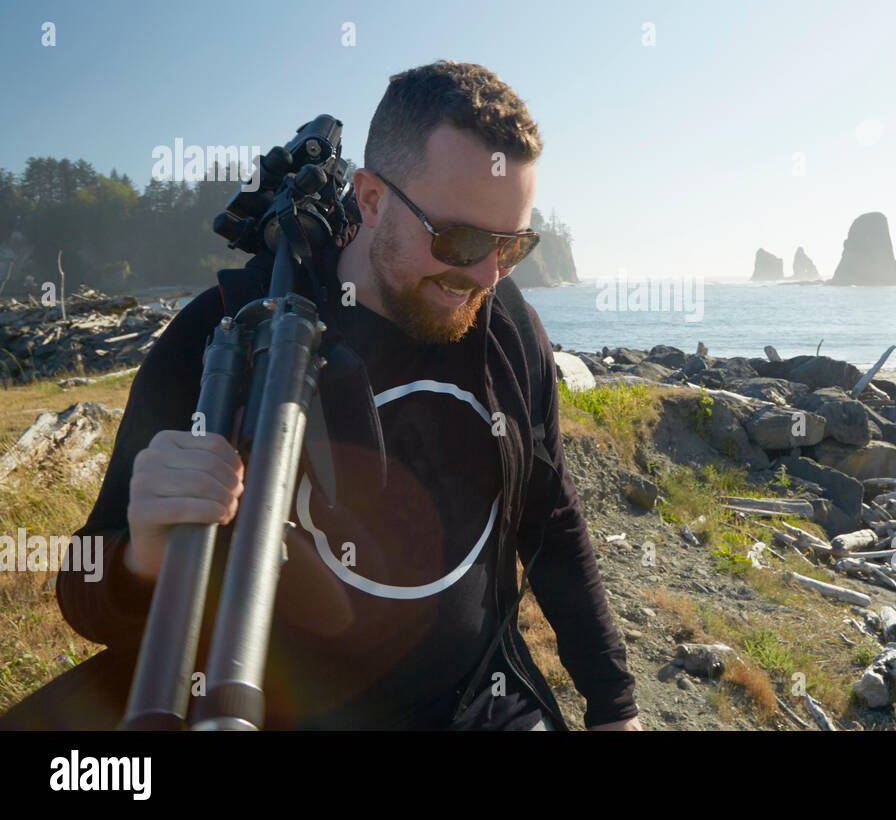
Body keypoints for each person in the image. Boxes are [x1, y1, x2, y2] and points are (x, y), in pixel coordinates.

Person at [0, 60, 641, 731]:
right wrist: (144, 553)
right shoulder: (228, 333)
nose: (484, 274)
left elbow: (552, 516)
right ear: (369, 200)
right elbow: (85, 593)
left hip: (475, 702)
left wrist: (613, 705)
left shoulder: (508, 326)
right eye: (459, 239)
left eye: (511, 246)